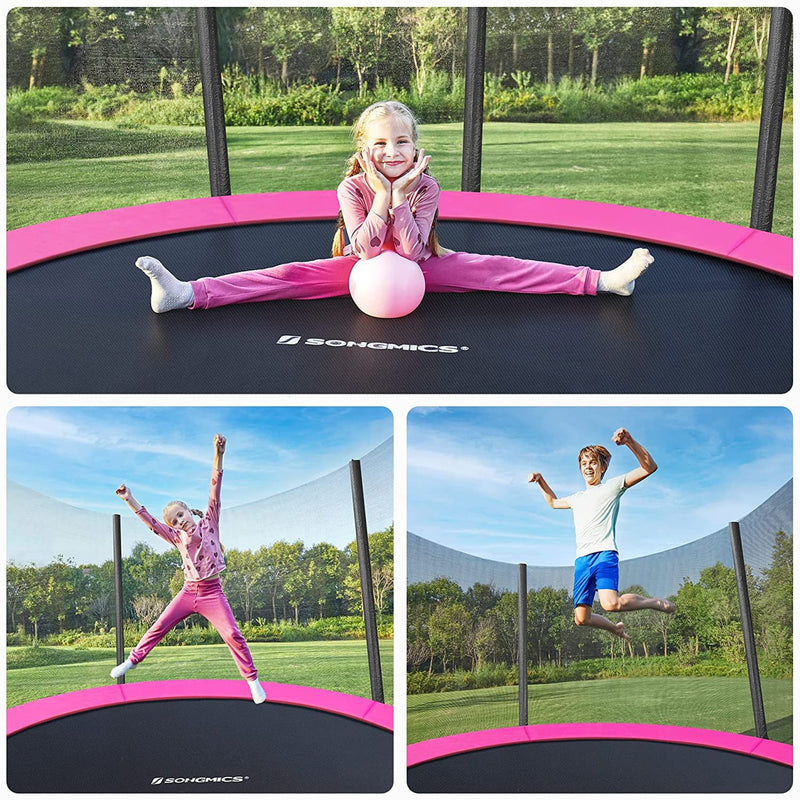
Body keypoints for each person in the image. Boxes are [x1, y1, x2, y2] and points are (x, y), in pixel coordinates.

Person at [133, 100, 654, 313]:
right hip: (354, 273)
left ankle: (603, 281)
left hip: (425, 269)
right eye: (380, 144)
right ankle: (186, 295)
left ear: (415, 146)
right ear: (363, 147)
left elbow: (408, 251)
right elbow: (361, 250)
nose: (391, 153)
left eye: (401, 143)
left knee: (502, 269)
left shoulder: (427, 188)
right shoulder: (352, 188)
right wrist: (382, 196)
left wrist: (400, 198)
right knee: (283, 274)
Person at [112, 434, 266, 704]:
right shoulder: (174, 537)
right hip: (188, 592)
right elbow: (150, 523)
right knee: (159, 626)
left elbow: (215, 487)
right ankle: (132, 661)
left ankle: (252, 681)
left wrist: (218, 455)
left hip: (212, 593)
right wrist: (129, 499)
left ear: (188, 510)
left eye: (180, 515)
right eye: (174, 522)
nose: (179, 522)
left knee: (232, 633)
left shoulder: (210, 521)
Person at [528, 428, 675, 640]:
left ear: (603, 467)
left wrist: (629, 442)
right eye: (584, 463)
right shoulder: (576, 498)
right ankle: (615, 629)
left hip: (604, 554)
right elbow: (552, 502)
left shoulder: (612, 487)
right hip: (582, 561)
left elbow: (649, 467)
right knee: (581, 618)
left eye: (593, 462)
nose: (588, 466)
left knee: (611, 603)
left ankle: (654, 602)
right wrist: (541, 480)